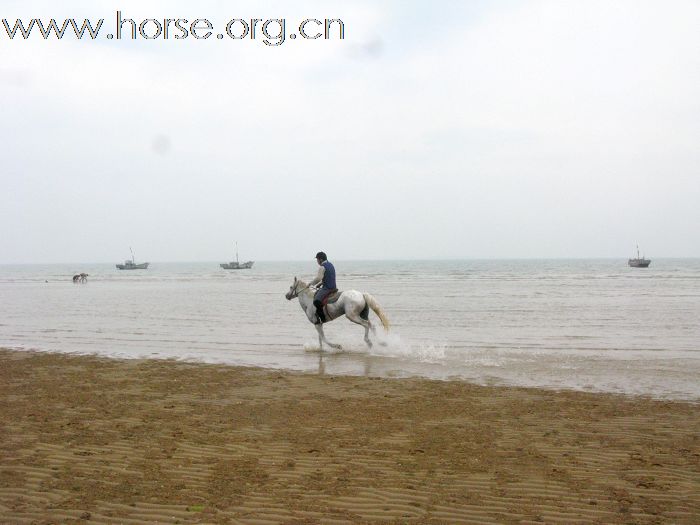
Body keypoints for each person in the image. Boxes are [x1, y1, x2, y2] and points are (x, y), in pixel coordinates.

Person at [308, 251, 337, 323]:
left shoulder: (322, 267)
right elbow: (328, 277)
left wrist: (310, 284)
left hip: (327, 288)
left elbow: (318, 278)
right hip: (334, 287)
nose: (317, 261)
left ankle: (322, 318)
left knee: (316, 301)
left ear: (320, 259)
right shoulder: (330, 264)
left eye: (317, 259)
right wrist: (320, 284)